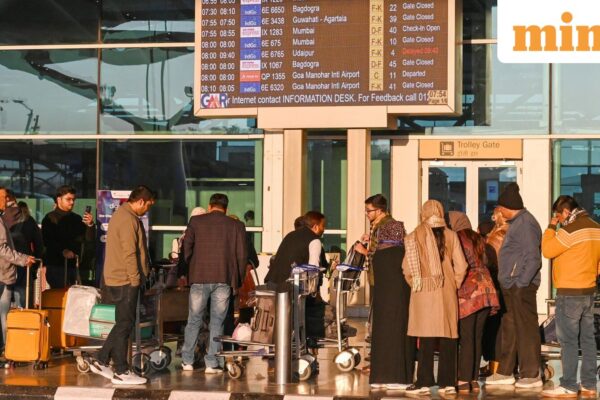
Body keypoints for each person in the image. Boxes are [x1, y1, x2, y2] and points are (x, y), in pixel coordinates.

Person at [88, 185, 155, 385]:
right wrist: (135, 279)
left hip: (117, 278)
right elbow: (130, 253)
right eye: (148, 205)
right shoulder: (127, 219)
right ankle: (110, 363)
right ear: (141, 201)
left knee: (122, 323)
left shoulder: (123, 215)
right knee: (125, 324)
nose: (148, 210)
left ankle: (114, 366)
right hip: (124, 279)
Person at [402, 200, 467, 396]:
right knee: (448, 337)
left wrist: (416, 283)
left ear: (423, 214)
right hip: (446, 291)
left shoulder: (414, 236)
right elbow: (462, 266)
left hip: (423, 292)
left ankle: (423, 382)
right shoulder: (451, 235)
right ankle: (448, 383)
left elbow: (407, 268)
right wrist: (454, 283)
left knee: (426, 339)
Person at [180, 193, 247, 373]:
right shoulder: (236, 225)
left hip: (199, 276)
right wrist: (238, 279)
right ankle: (212, 363)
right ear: (226, 208)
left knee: (194, 319)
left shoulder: (195, 222)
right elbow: (242, 255)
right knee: (218, 321)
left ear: (209, 206)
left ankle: (187, 361)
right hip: (223, 277)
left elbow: (186, 249)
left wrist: (187, 270)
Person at [541, 195, 600, 398]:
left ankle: (568, 385)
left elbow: (547, 250)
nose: (558, 220)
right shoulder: (596, 227)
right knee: (588, 340)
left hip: (569, 292)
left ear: (566, 212)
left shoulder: (570, 231)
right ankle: (589, 385)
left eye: (558, 216)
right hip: (588, 291)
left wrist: (551, 227)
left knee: (568, 341)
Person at [354, 195, 414, 390]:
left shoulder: (390, 226)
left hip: (388, 285)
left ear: (380, 210)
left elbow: (385, 255)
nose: (366, 214)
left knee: (386, 326)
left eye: (369, 211)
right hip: (382, 283)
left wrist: (364, 251)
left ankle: (387, 372)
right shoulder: (379, 226)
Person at [485, 182, 543, 388]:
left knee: (526, 329)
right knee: (510, 329)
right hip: (512, 285)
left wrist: (521, 283)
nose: (499, 212)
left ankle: (531, 374)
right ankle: (505, 371)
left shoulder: (526, 223)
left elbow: (533, 258)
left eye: (500, 208)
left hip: (521, 287)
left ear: (507, 207)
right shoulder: (518, 222)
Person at [448, 211, 499, 393]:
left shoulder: (457, 238)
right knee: (477, 337)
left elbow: (458, 265)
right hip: (486, 289)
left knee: (467, 337)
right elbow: (487, 262)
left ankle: (463, 379)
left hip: (469, 291)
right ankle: (473, 379)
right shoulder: (478, 238)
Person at [0, 187, 37, 352]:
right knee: (4, 314)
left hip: (6, 272)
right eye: (3, 197)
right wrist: (23, 259)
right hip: (4, 273)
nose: (6, 201)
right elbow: (1, 248)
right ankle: (6, 348)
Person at [41, 185, 95, 288]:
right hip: (56, 265)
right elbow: (48, 241)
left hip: (74, 265)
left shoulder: (76, 218)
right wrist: (63, 251)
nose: (72, 202)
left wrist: (90, 225)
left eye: (73, 199)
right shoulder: (50, 218)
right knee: (60, 293)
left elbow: (87, 239)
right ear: (59, 199)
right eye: (68, 199)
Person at [1, 191, 43, 308]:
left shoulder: (5, 219)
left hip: (11, 269)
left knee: (9, 307)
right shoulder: (28, 221)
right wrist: (33, 266)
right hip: (22, 268)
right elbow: (39, 245)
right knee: (21, 306)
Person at [265, 211, 326, 291]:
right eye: (323, 226)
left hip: (272, 282)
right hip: (292, 288)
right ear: (315, 227)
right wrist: (313, 292)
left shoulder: (290, 235)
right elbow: (313, 269)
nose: (324, 229)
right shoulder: (314, 240)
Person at [481, 207, 509, 374]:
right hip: (504, 282)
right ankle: (496, 364)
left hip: (497, 282)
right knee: (500, 326)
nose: (493, 217)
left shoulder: (499, 235)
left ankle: (496, 365)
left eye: (496, 214)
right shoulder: (505, 232)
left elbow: (491, 260)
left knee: (495, 327)